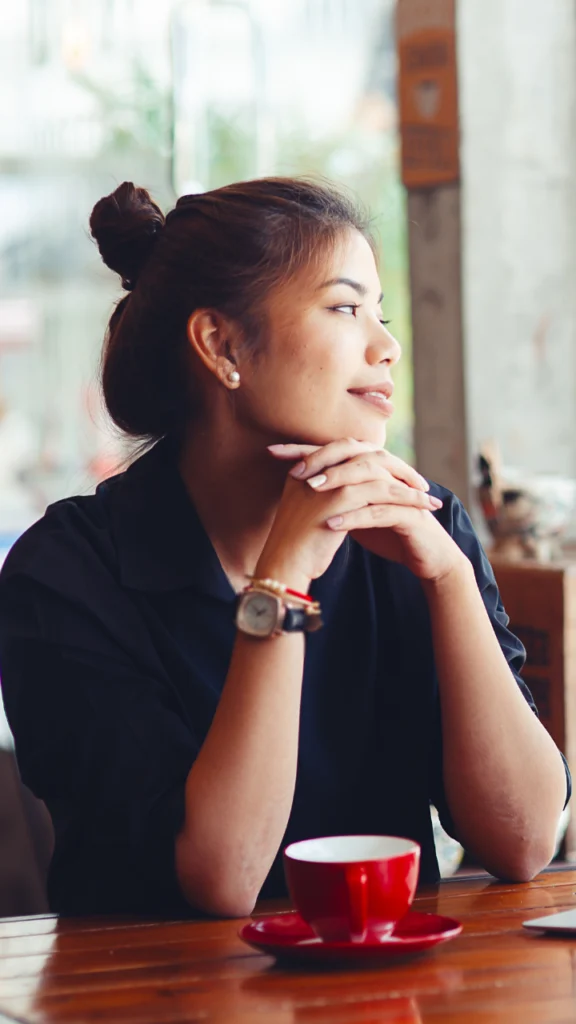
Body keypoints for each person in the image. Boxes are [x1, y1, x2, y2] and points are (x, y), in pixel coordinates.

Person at [0, 178, 569, 918]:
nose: (387, 346)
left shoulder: (416, 531)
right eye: (345, 308)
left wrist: (453, 579)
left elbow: (524, 841)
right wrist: (283, 581)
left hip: (391, 993)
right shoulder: (65, 574)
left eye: (382, 314)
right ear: (222, 344)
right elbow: (222, 878)